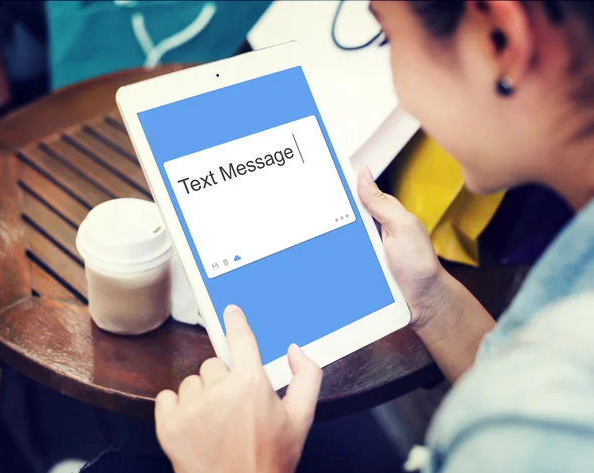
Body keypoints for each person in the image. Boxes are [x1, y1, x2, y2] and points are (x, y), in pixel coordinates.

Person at [154, 1, 594, 472]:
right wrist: (431, 299)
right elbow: (515, 392)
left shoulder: (557, 410)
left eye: (388, 35)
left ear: (500, 40)